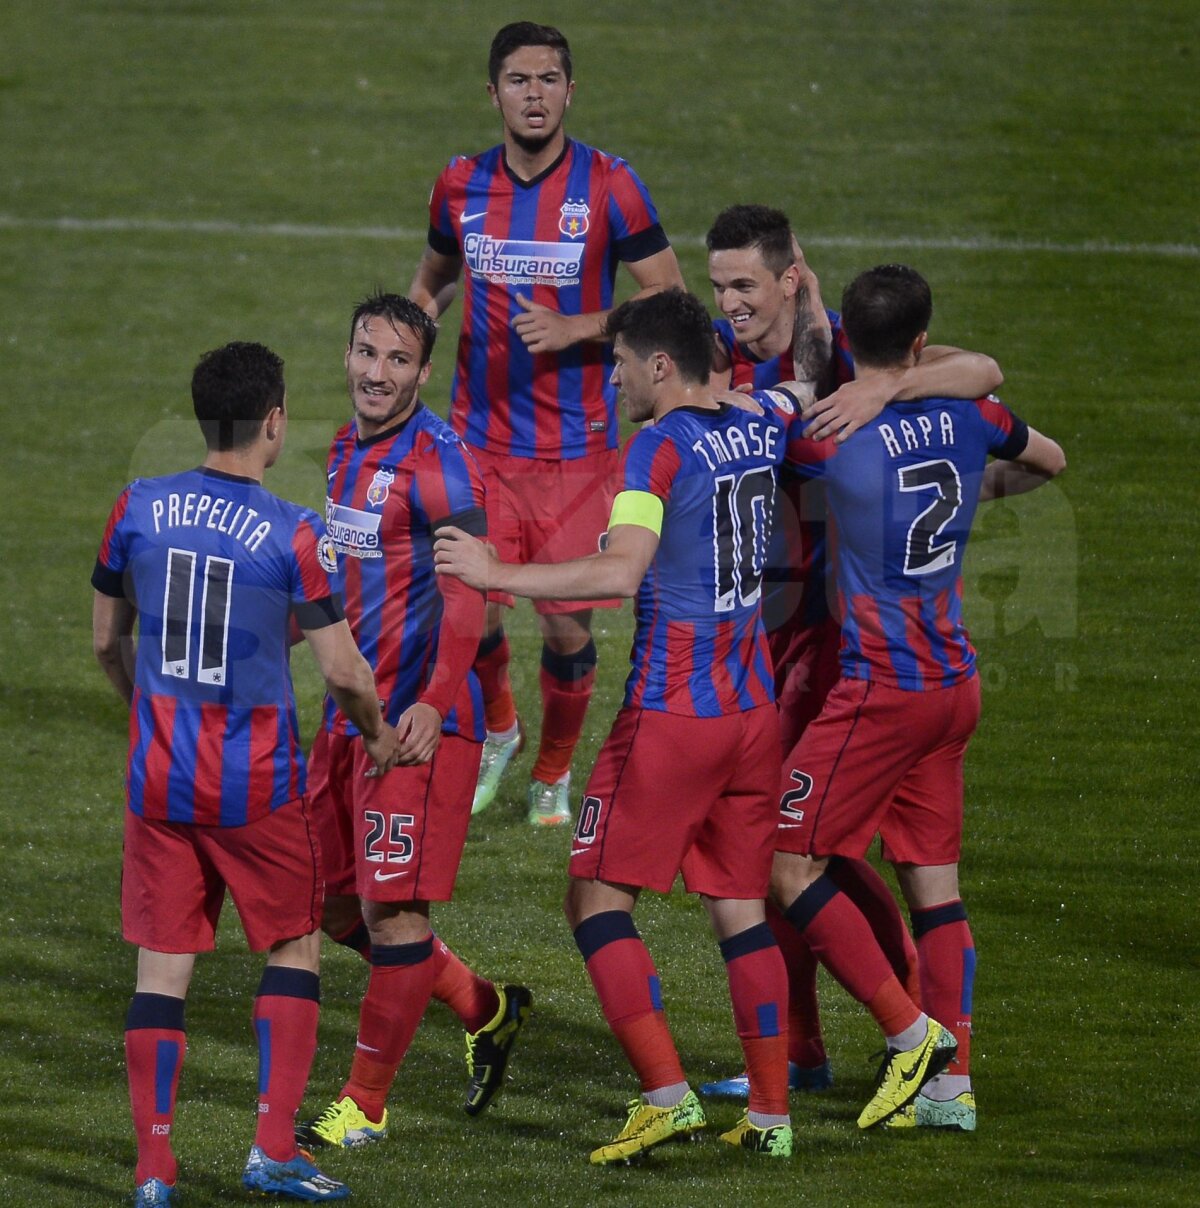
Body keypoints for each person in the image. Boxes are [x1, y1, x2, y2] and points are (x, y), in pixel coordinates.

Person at [435, 288, 818, 1164]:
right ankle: (769, 1116)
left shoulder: (656, 450)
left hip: (671, 718)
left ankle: (667, 1096)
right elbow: (812, 382)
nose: (609, 382)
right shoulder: (762, 422)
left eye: (616, 366)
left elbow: (619, 570)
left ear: (659, 366)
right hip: (753, 713)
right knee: (739, 910)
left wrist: (499, 571)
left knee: (594, 900)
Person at [701, 204, 1007, 1101]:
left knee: (790, 853)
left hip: (831, 638)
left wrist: (881, 390)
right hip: (765, 629)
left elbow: (983, 368)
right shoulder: (733, 349)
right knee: (803, 852)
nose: (731, 305)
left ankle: (896, 1020)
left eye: (746, 285)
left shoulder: (842, 367)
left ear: (793, 277)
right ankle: (820, 1049)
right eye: (720, 287)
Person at [92, 341, 402, 1206]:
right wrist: (375, 737)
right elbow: (342, 671)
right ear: (273, 421)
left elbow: (104, 640)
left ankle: (155, 1168)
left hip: (158, 778)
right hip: (255, 783)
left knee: (162, 970)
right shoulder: (293, 530)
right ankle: (272, 1149)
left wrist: (139, 707)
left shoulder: (138, 507)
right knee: (294, 946)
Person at [766, 264, 1066, 1131]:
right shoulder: (971, 414)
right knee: (936, 892)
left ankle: (910, 1038)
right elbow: (1049, 458)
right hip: (953, 688)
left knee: (788, 865)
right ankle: (952, 1089)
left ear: (854, 343)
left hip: (879, 693)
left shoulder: (830, 434)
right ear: (923, 340)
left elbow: (789, 409)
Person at [408, 20, 684, 826]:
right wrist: (406, 337)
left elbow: (668, 296)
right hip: (478, 443)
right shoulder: (459, 185)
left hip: (578, 454)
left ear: (571, 91)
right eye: (520, 81)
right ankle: (500, 729)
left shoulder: (611, 185)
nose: (536, 94)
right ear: (492, 94)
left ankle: (554, 774)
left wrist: (580, 328)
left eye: (549, 79)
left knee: (566, 630)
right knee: (474, 606)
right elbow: (434, 280)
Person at [298, 293, 531, 1151]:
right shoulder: (341, 449)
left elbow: (468, 594)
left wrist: (433, 700)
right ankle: (486, 1007)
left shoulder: (440, 463)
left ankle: (364, 1104)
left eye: (398, 360)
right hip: (351, 714)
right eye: (366, 352)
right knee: (327, 903)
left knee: (393, 915)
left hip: (418, 725)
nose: (376, 372)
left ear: (424, 371)